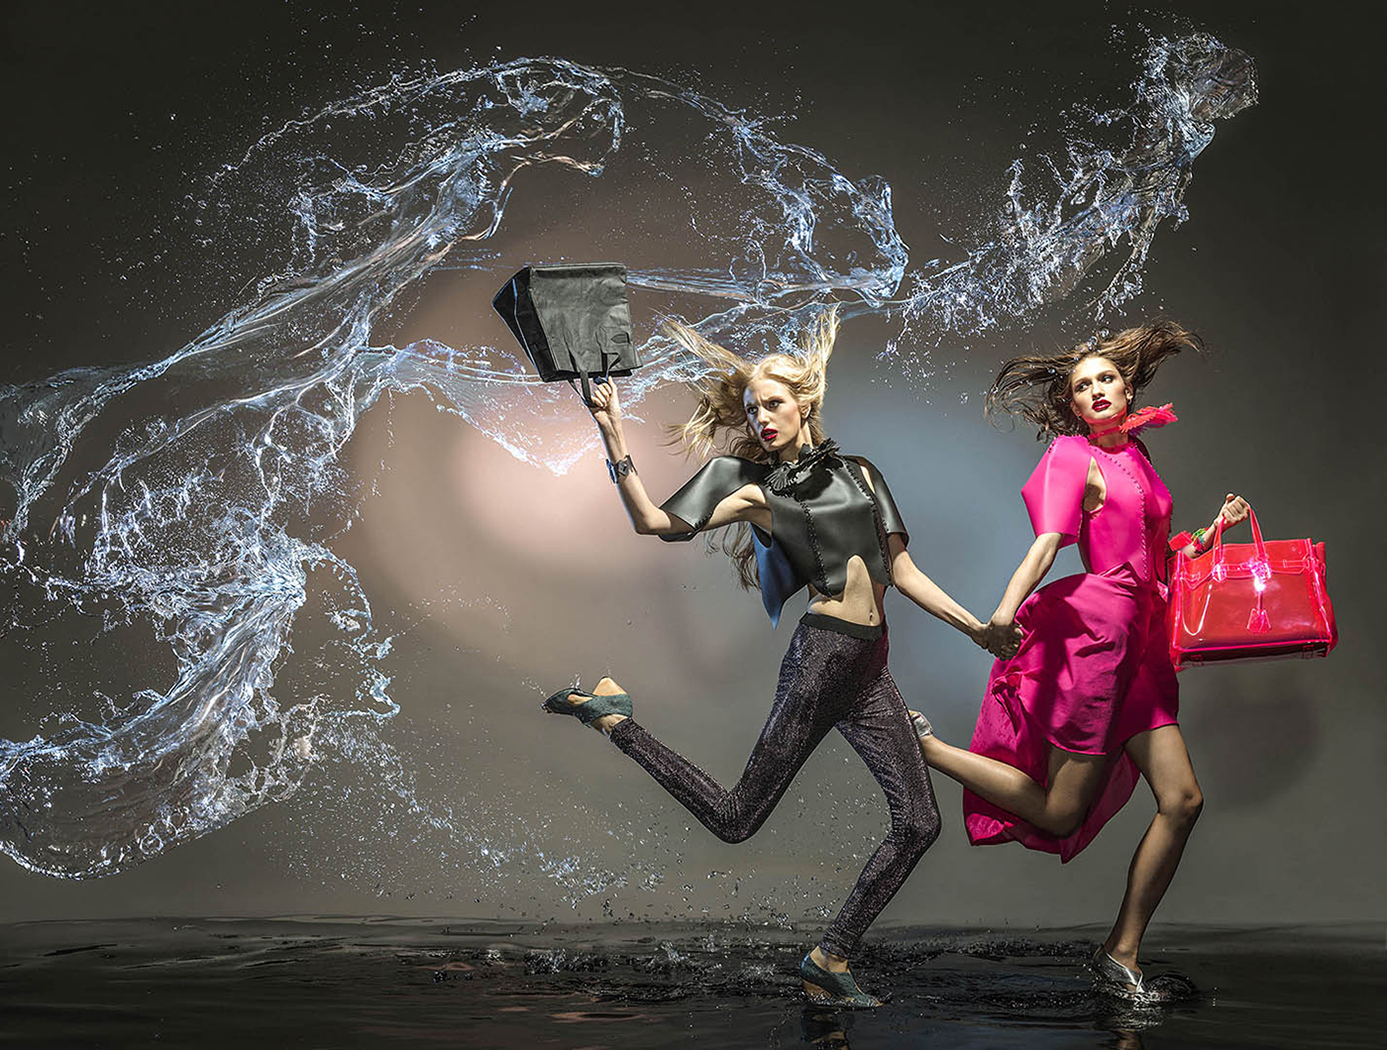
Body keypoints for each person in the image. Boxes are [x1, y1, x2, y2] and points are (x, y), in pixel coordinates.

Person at [543, 309, 1015, 1007]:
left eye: (771, 403)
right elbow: (654, 522)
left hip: (868, 664)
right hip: (822, 659)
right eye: (751, 410)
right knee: (737, 820)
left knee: (919, 823)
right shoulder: (756, 490)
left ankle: (829, 957)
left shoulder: (860, 473)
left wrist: (976, 630)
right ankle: (613, 719)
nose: (761, 418)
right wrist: (611, 431)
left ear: (804, 402)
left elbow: (902, 572)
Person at [909, 321, 1249, 999]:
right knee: (1061, 813)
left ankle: (1120, 952)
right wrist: (1002, 613)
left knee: (1182, 800)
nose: (1095, 390)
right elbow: (1048, 542)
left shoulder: (1138, 455)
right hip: (1098, 641)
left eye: (1105, 378)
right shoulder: (1072, 454)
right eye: (1082, 386)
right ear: (1070, 404)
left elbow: (1152, 556)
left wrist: (1210, 535)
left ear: (1126, 388)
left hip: (1143, 646)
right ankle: (926, 747)